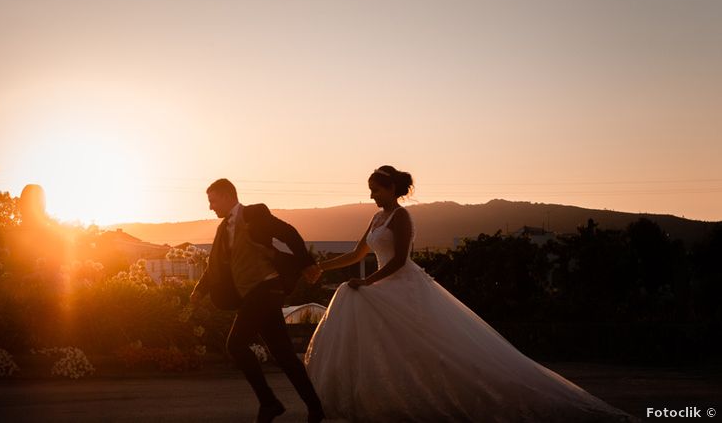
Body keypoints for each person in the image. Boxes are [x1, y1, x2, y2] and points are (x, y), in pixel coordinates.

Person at [304, 165, 634, 422]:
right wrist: (324, 268)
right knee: (379, 332)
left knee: (434, 348)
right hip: (383, 288)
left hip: (403, 287)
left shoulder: (402, 216)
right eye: (370, 191)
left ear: (391, 188)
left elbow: (401, 261)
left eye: (375, 190)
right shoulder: (377, 217)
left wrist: (368, 281)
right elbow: (357, 253)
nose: (372, 196)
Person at [191, 178, 325, 423]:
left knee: (235, 344)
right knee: (283, 354)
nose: (210, 207)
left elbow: (288, 233)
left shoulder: (254, 214)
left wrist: (306, 262)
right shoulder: (222, 230)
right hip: (253, 295)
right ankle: (315, 408)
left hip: (266, 288)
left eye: (212, 200)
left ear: (226, 195)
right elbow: (214, 267)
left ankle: (269, 402)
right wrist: (200, 290)